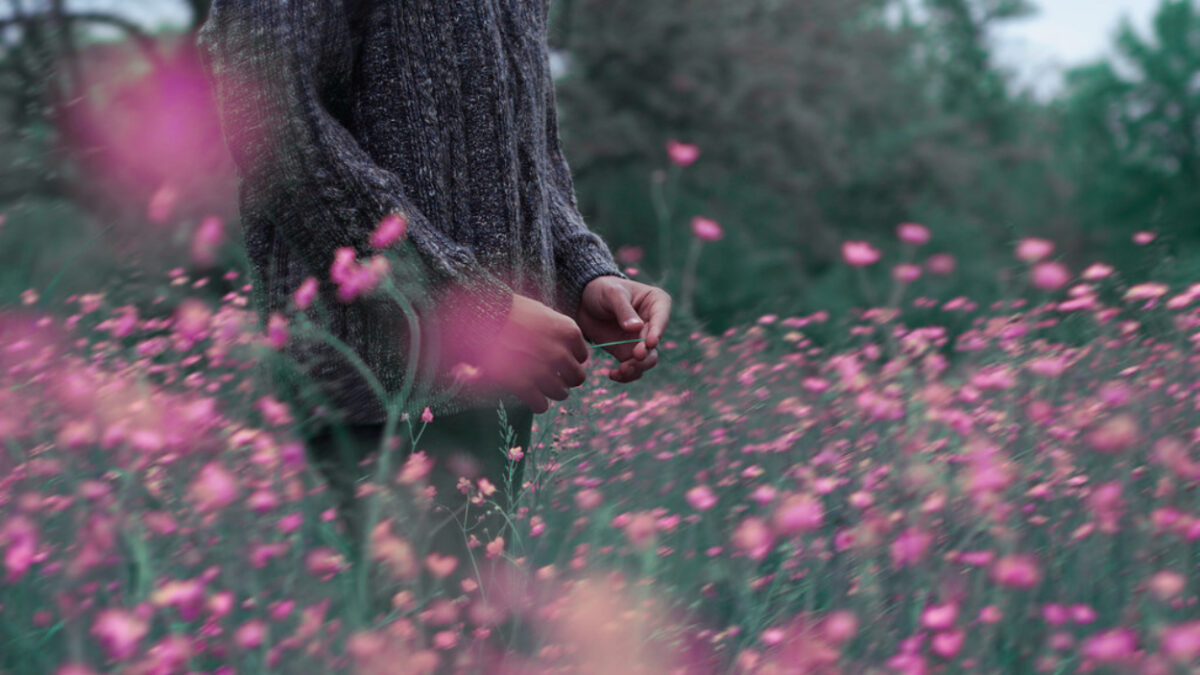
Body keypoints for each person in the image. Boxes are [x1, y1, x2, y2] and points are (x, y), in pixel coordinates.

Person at [197, 0, 672, 568]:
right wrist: (462, 302)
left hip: (496, 391)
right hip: (370, 393)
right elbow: (269, 117)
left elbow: (518, 140)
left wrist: (579, 270)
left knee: (468, 644)